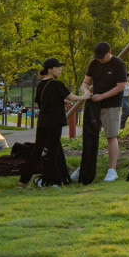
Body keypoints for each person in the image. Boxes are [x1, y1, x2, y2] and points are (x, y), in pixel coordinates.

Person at [18, 58, 91, 188]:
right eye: (57, 67)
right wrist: (84, 97)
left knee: (37, 151)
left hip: (42, 122)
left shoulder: (40, 85)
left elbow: (42, 102)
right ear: (50, 70)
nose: (60, 69)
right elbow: (72, 97)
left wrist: (61, 102)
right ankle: (47, 182)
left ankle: (22, 181)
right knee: (51, 152)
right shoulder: (56, 84)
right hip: (54, 122)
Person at [75, 41, 128, 182]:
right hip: (94, 105)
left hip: (112, 105)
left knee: (111, 136)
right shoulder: (94, 63)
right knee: (90, 137)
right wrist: (86, 92)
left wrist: (102, 96)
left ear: (109, 53)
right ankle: (85, 167)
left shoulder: (118, 64)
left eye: (101, 56)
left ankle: (112, 170)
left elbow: (121, 86)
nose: (99, 59)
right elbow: (85, 82)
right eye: (97, 56)